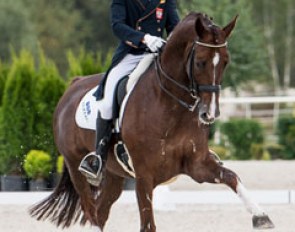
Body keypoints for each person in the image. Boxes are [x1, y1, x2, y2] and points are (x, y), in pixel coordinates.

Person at [79, 0, 180, 181]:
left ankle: (196, 144)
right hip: (130, 55)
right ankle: (98, 158)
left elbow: (174, 27)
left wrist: (172, 42)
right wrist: (144, 38)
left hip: (158, 54)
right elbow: (118, 26)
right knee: (107, 101)